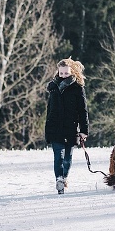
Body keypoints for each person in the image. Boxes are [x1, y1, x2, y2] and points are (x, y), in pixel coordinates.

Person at [45, 58, 89, 194]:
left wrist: (83, 130)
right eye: (61, 73)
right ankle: (59, 179)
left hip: (71, 128)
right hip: (55, 128)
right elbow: (49, 110)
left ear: (72, 72)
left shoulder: (77, 88)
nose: (63, 75)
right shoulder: (53, 88)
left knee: (68, 158)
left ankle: (64, 178)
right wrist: (48, 129)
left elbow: (83, 110)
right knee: (58, 156)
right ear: (58, 72)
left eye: (66, 73)